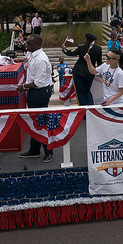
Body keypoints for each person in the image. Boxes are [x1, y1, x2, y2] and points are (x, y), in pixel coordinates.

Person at [17, 34, 55, 162]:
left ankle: (48, 151)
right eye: (26, 42)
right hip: (34, 92)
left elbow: (38, 83)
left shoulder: (41, 60)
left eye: (29, 43)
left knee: (41, 122)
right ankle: (34, 149)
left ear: (37, 44)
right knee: (35, 121)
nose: (26, 45)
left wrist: (22, 87)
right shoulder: (32, 54)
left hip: (39, 92)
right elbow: (27, 61)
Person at [61, 33, 102, 105]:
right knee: (87, 91)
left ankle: (82, 111)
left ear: (87, 40)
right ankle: (90, 109)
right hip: (90, 72)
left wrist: (64, 49)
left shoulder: (82, 47)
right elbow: (99, 63)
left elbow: (70, 53)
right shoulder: (98, 49)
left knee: (80, 92)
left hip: (78, 72)